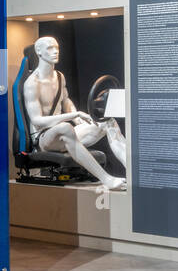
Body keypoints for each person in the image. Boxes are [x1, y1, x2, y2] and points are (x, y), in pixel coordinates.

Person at [23, 36, 127, 190]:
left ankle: (134, 171)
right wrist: (74, 115)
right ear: (39, 52)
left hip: (65, 134)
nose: (55, 51)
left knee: (106, 121)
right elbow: (37, 120)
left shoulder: (59, 76)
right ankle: (106, 179)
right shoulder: (32, 83)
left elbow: (65, 101)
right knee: (65, 127)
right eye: (50, 48)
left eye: (57, 47)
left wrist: (79, 120)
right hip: (44, 139)